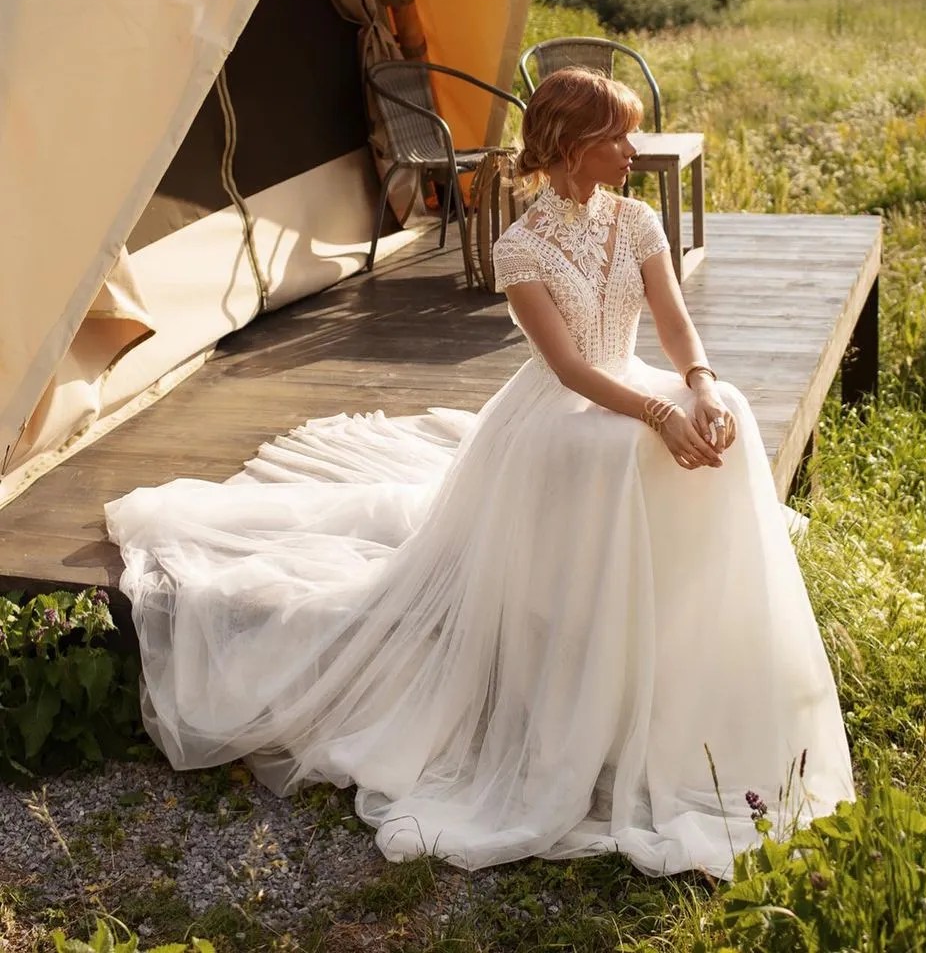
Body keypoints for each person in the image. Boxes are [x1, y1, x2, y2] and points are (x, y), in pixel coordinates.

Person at [105, 67, 854, 879]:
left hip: (630, 381)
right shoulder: (521, 246)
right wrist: (657, 413)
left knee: (731, 414)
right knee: (626, 445)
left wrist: (699, 386)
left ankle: (694, 628)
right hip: (563, 415)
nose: (633, 150)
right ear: (572, 147)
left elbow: (673, 324)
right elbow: (567, 369)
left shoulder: (636, 220)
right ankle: (600, 653)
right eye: (617, 137)